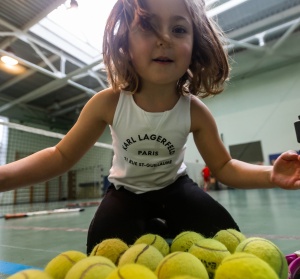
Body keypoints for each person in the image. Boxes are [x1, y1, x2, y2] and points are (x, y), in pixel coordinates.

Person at [0, 0, 300, 255]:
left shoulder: (194, 111)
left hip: (176, 189)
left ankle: (162, 223)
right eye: (147, 27)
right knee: (103, 252)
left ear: (194, 46)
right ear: (125, 45)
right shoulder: (108, 103)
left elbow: (224, 166)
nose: (164, 38)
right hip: (124, 192)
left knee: (227, 242)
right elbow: (60, 156)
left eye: (179, 29)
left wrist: (270, 174)